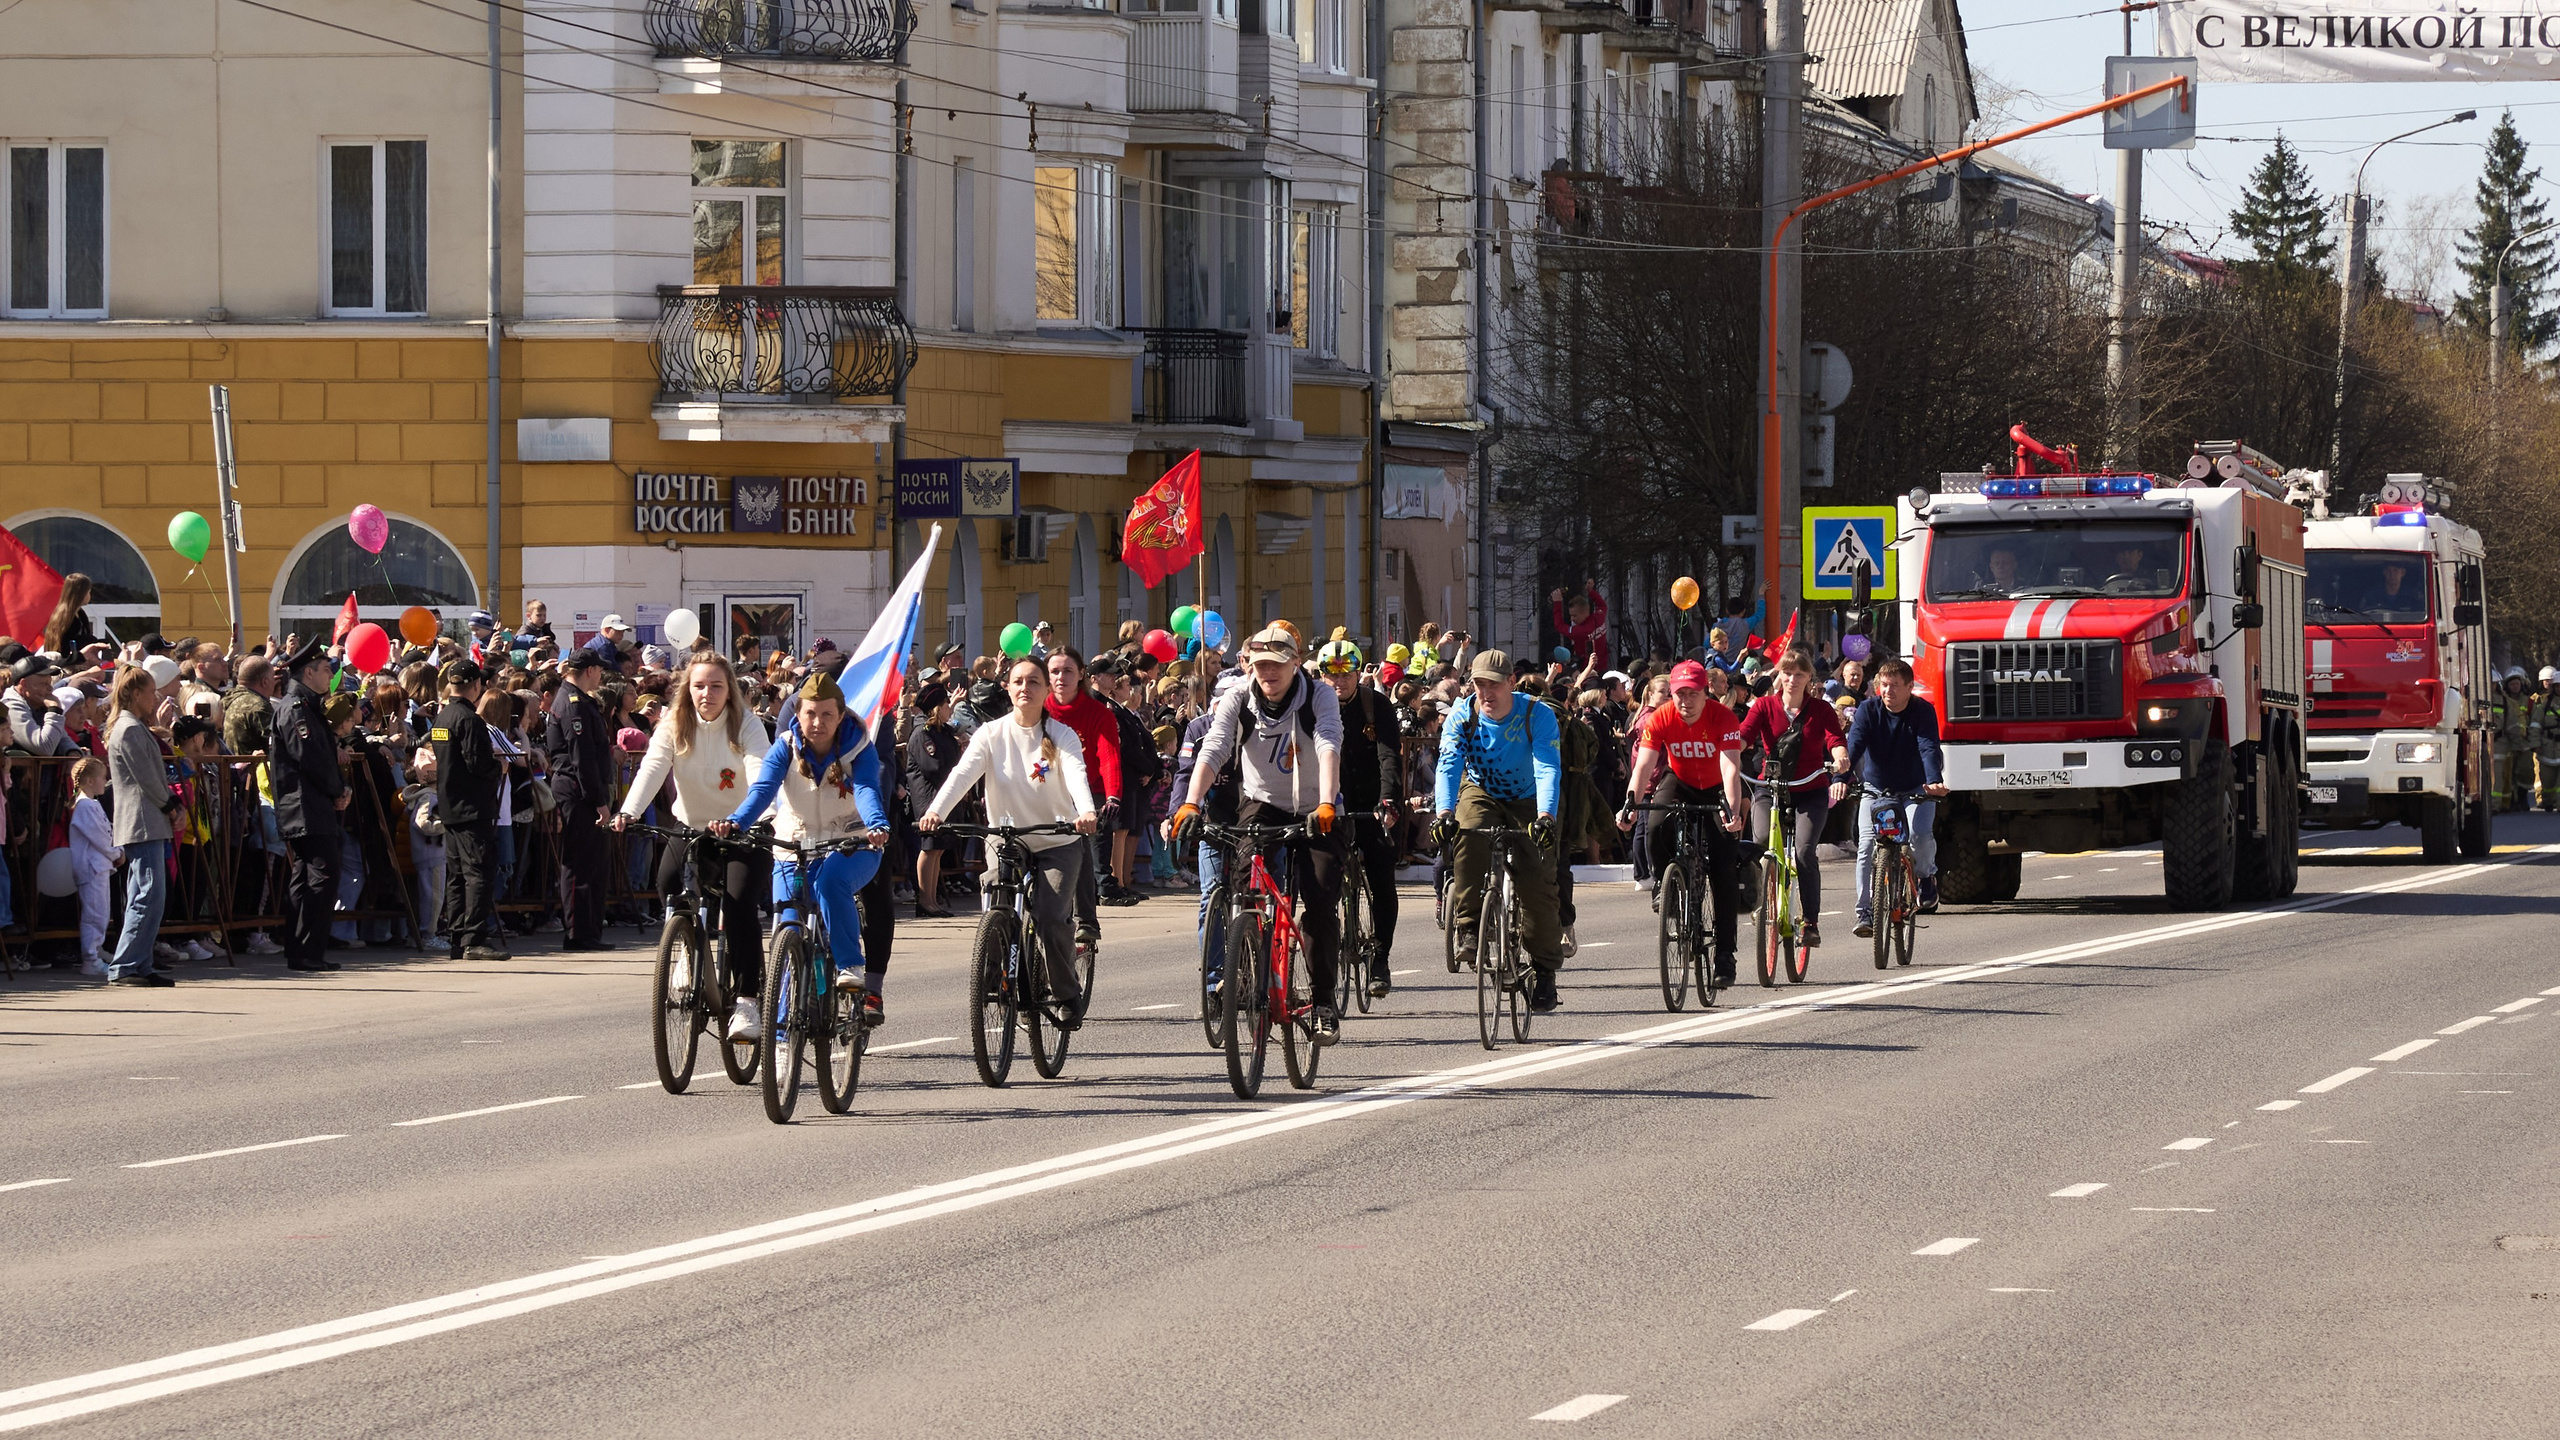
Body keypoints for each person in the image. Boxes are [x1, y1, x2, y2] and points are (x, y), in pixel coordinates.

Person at [1170, 625, 1348, 1041]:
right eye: (1261, 664)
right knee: (1246, 886)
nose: (1268, 673)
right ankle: (1250, 964)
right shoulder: (1239, 697)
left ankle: (1323, 1001)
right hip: (1263, 803)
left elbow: (1328, 744)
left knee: (1320, 902)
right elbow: (1215, 747)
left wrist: (1326, 802)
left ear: (1295, 663)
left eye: (1277, 665)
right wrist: (1191, 802)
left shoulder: (1318, 696)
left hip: (1317, 807)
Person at [917, 655, 1100, 1023]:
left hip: (1056, 839)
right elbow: (961, 775)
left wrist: (1086, 811)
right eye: (1018, 681)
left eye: (1033, 682)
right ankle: (993, 972)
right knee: (996, 895)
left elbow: (1077, 773)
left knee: (1050, 917)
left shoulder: (1061, 735)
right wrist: (936, 811)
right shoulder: (991, 733)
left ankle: (1066, 992)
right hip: (1006, 837)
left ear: (1046, 691)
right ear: (1007, 687)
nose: (1024, 688)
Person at [715, 670, 890, 1023]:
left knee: (830, 882)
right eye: (810, 713)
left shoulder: (859, 747)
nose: (818, 722)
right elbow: (763, 789)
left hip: (852, 841)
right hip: (795, 842)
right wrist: (736, 821)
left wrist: (876, 823)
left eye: (827, 714)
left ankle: (850, 966)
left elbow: (867, 788)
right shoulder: (785, 746)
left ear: (840, 716)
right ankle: (781, 1035)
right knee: (788, 930)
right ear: (798, 714)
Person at [617, 651, 773, 1037]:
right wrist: (629, 811)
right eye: (699, 686)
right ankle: (689, 950)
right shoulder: (674, 723)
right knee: (669, 882)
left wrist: (748, 818)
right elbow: (653, 767)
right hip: (693, 825)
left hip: (743, 829)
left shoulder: (747, 724)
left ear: (729, 689)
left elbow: (759, 771)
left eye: (716, 686)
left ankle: (748, 1002)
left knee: (738, 905)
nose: (707, 693)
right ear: (688, 689)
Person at [1431, 648, 1566, 1011]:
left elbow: (1547, 768)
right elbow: (1448, 765)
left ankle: (1545, 971)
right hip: (1482, 791)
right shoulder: (1463, 715)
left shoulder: (1536, 714)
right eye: (1479, 684)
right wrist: (1444, 813)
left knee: (1538, 880)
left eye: (1493, 684)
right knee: (1467, 832)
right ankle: (1469, 928)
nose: (1486, 693)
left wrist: (1545, 817)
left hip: (1528, 797)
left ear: (1511, 682)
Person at [1618, 660, 1749, 987]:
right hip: (1680, 780)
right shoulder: (1662, 717)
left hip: (1717, 785)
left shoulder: (1723, 717)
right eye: (1679, 694)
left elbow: (1731, 768)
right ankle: (1667, 888)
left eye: (1693, 694)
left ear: (1706, 693)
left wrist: (1732, 811)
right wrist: (1630, 803)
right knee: (1655, 825)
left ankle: (1725, 955)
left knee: (1723, 868)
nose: (1685, 701)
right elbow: (1643, 766)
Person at [1735, 649, 1850, 949]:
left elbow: (1835, 740)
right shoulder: (1764, 706)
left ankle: (1810, 921)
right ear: (1779, 676)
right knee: (1761, 839)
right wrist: (1731, 752)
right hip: (1771, 786)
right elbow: (1744, 735)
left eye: (1799, 674)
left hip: (1810, 788)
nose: (1792, 679)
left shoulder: (1821, 710)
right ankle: (1763, 897)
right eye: (1787, 673)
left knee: (1804, 851)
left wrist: (1840, 758)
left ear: (1809, 677)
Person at [1832, 656, 1949, 933]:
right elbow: (1854, 747)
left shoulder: (1922, 711)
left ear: (1910, 687)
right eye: (1884, 684)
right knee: (1866, 846)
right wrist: (1841, 779)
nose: (1888, 691)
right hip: (1876, 788)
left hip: (1916, 788)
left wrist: (1933, 781)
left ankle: (1926, 877)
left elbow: (1928, 748)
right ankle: (1864, 913)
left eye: (1895, 685)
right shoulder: (1868, 710)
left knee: (1919, 834)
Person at [1317, 637, 1402, 998]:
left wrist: (1388, 801)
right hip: (1328, 801)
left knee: (1382, 874)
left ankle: (1380, 958)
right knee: (1319, 879)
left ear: (1357, 675)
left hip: (1371, 800)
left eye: (1346, 675)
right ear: (1322, 676)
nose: (1339, 682)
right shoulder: (1312, 705)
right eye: (1332, 675)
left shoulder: (1375, 704)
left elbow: (1389, 756)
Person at [269, 638, 347, 973]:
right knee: (321, 876)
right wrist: (337, 789)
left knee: (306, 877)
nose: (330, 675)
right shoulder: (296, 709)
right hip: (304, 804)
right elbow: (310, 758)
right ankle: (306, 950)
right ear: (309, 673)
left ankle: (303, 950)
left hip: (311, 803)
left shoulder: (308, 706)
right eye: (326, 669)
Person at [431, 659, 512, 964]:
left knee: (457, 875)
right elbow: (476, 763)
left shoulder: (442, 718)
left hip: (450, 805)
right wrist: (498, 766)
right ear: (476, 685)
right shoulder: (469, 720)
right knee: (478, 872)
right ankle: (474, 939)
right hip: (472, 806)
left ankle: (457, 937)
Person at [102, 665, 179, 987]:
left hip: (147, 821)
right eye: (149, 692)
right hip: (143, 821)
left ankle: (140, 963)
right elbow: (146, 777)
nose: (154, 697)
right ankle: (127, 965)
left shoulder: (133, 726)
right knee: (149, 894)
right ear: (135, 694)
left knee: (145, 894)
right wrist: (170, 805)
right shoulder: (129, 729)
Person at [1042, 647, 1122, 948]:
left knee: (1080, 847)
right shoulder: (1038, 710)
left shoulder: (1098, 712)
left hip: (1088, 792)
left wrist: (1113, 795)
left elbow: (1109, 757)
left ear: (1081, 675)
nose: (1061, 677)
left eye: (1068, 671)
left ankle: (1086, 919)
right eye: (1054, 671)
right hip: (1046, 788)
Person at [548, 649, 616, 951]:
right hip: (579, 790)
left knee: (595, 863)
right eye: (598, 670)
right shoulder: (573, 704)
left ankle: (590, 930)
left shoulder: (580, 701)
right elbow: (582, 757)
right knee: (580, 863)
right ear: (589, 670)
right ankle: (578, 932)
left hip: (585, 788)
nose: (600, 675)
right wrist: (598, 800)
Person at [903, 681, 964, 917]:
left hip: (942, 796)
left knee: (937, 850)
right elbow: (933, 766)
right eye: (947, 703)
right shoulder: (923, 733)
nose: (950, 707)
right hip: (928, 798)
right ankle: (924, 900)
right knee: (929, 847)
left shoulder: (942, 731)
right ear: (937, 707)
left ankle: (932, 899)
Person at [68, 755, 116, 978]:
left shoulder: (91, 804)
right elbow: (99, 837)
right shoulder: (85, 806)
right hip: (92, 868)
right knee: (94, 914)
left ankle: (96, 950)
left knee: (102, 912)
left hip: (99, 866)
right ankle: (90, 959)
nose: (105, 781)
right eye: (102, 777)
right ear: (89, 781)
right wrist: (117, 852)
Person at [1549, 583, 1611, 669]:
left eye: (1575, 616)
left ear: (1585, 612)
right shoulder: (1599, 617)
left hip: (1587, 670)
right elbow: (1602, 605)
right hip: (1604, 666)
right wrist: (1590, 591)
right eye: (1571, 615)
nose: (1572, 619)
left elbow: (1559, 625)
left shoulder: (1581, 631)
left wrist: (1557, 603)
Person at [40, 573, 102, 659]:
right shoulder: (66, 617)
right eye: (88, 592)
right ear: (81, 594)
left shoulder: (80, 614)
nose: (89, 596)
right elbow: (64, 647)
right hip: (65, 662)